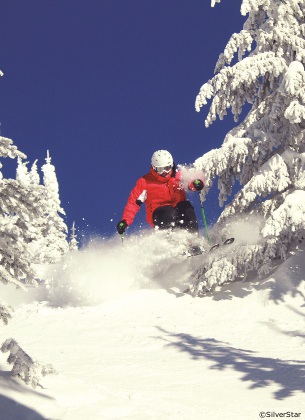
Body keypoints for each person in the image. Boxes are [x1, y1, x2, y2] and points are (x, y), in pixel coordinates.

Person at [117, 150, 204, 235]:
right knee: (168, 211)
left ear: (171, 166)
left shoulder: (178, 176)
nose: (164, 172)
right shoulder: (144, 182)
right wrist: (125, 221)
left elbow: (190, 183)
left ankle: (193, 241)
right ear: (154, 168)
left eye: (167, 168)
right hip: (160, 213)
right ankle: (171, 242)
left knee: (186, 207)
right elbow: (133, 203)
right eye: (160, 169)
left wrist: (196, 184)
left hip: (179, 209)